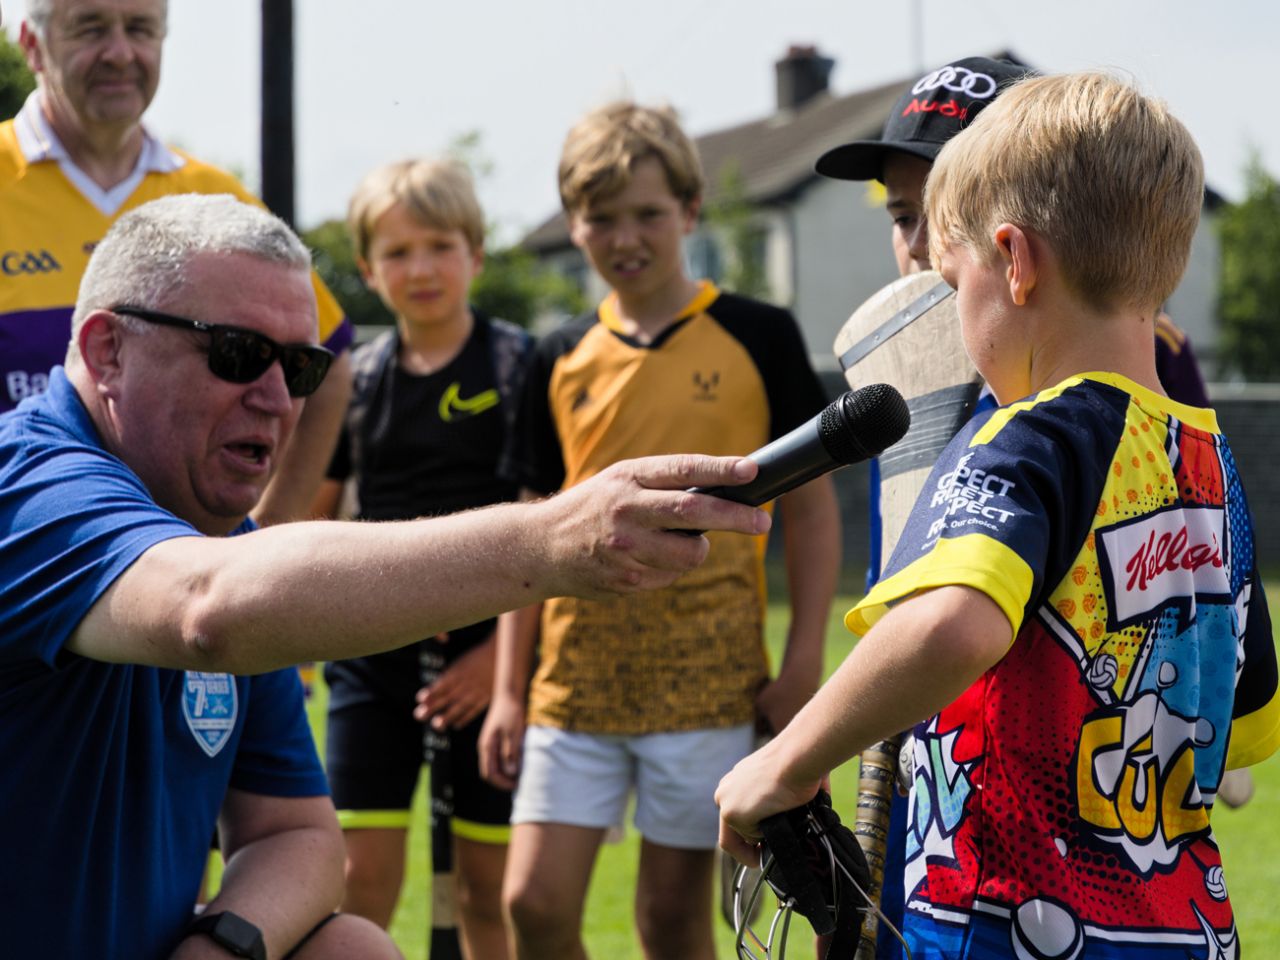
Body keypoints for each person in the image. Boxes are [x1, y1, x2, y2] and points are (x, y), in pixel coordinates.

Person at [0, 192, 771, 960]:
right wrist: (551, 539)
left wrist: (225, 945)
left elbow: (299, 836)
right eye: (236, 354)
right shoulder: (29, 482)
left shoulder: (223, 534)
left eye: (300, 368)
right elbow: (208, 609)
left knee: (353, 949)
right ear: (107, 352)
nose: (275, 399)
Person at [718, 71, 1279, 960]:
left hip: (1012, 931)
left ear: (1013, 261)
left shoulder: (1027, 438)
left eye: (952, 279)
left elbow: (952, 624)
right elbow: (1243, 723)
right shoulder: (1210, 466)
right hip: (1185, 932)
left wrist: (782, 762)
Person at [478, 101, 841, 960]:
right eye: (601, 217)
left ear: (689, 211)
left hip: (707, 679)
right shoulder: (554, 353)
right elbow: (528, 532)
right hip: (573, 682)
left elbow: (815, 509)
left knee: (672, 920)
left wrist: (802, 668)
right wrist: (505, 689)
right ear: (574, 225)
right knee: (530, 902)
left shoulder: (759, 333)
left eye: (647, 213)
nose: (624, 236)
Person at [3, 0, 353, 524]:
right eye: (91, 27)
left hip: (180, 571)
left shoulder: (214, 196)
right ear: (32, 44)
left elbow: (329, 361)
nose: (120, 53)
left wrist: (267, 535)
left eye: (140, 28)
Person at [312, 158, 529, 956]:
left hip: (493, 663)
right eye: (396, 252)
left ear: (475, 252)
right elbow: (313, 517)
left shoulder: (520, 367)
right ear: (367, 269)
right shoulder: (355, 380)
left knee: (486, 892)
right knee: (354, 880)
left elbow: (545, 529)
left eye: (439, 245)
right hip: (370, 661)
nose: (421, 268)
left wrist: (492, 662)